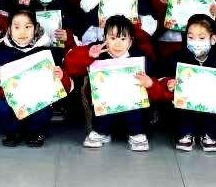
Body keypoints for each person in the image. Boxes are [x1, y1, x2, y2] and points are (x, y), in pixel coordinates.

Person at [63, 15, 157, 152]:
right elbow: (70, 65)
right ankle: (101, 132)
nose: (118, 43)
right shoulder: (97, 52)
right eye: (113, 38)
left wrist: (149, 82)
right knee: (103, 109)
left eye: (123, 39)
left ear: (131, 41)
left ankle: (136, 134)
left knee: (136, 111)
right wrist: (88, 55)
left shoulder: (140, 57)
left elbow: (154, 80)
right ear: (104, 38)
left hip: (132, 105)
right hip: (105, 104)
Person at [161, 13, 216, 152]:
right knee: (182, 107)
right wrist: (169, 85)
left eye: (201, 38)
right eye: (190, 37)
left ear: (213, 39)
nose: (195, 42)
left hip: (212, 107)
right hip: (186, 107)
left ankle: (210, 134)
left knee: (213, 108)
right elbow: (163, 81)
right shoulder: (177, 58)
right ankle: (186, 132)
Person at [0, 6, 69, 147]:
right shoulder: (2, 52)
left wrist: (62, 77)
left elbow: (65, 85)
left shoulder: (47, 52)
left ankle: (35, 132)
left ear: (36, 28)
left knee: (43, 109)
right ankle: (12, 132)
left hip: (36, 98)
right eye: (17, 27)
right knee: (1, 107)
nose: (22, 32)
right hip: (12, 100)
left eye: (27, 27)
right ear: (9, 29)